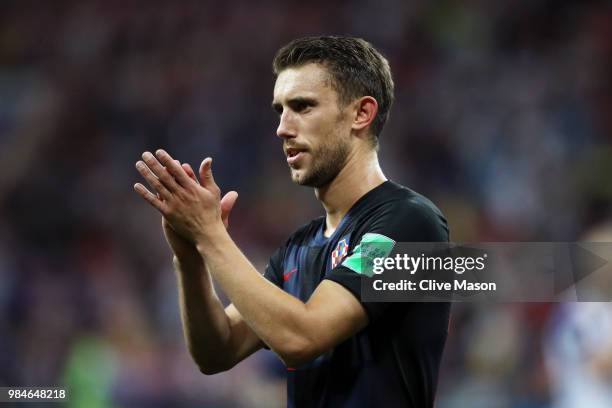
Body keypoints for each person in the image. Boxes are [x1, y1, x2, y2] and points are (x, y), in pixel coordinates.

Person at [134, 36, 450, 407]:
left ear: (361, 114)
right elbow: (216, 351)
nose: (282, 128)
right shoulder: (298, 248)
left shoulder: (410, 224)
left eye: (302, 106)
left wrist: (210, 235)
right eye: (279, 110)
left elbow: (302, 338)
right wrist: (189, 258)